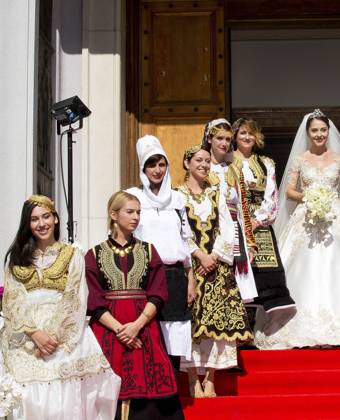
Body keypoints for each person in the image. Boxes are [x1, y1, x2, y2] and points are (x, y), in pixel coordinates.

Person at [255, 109, 340, 349]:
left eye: (323, 130)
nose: (319, 134)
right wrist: (310, 196)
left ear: (328, 132)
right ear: (307, 133)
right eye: (314, 130)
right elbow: (290, 191)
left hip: (335, 218)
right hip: (307, 217)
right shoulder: (300, 159)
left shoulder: (339, 159)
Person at [2, 195, 120, 419]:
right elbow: (12, 299)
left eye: (46, 216)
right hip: (25, 335)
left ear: (55, 219)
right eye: (34, 219)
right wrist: (34, 333)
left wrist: (52, 338)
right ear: (27, 224)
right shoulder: (17, 258)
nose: (41, 223)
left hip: (65, 335)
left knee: (65, 401)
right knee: (26, 397)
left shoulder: (73, 254)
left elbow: (75, 298)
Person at [86, 191, 183, 419]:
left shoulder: (148, 251)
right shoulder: (94, 254)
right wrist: (121, 330)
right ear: (113, 214)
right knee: (108, 388)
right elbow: (93, 298)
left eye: (138, 212)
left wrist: (136, 326)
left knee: (149, 389)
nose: (136, 217)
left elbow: (158, 293)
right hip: (108, 330)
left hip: (144, 327)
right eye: (130, 212)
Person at [177, 144, 252, 398]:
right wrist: (198, 255)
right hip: (191, 266)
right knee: (191, 323)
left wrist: (215, 256)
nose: (204, 165)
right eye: (199, 160)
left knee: (217, 322)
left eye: (207, 161)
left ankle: (210, 378)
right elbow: (179, 231)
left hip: (216, 265)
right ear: (187, 163)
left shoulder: (215, 192)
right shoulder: (178, 196)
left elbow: (227, 226)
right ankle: (191, 380)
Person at [126, 135, 196, 372]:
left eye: (161, 164)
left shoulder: (177, 199)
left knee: (173, 337)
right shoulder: (132, 197)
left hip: (175, 276)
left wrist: (191, 278)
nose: (157, 170)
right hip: (145, 276)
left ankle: (172, 396)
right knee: (149, 336)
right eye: (151, 164)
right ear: (143, 168)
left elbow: (185, 240)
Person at [231, 118, 296, 332]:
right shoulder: (227, 163)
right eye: (242, 133)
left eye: (251, 133)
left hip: (260, 227)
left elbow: (272, 197)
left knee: (266, 274)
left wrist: (257, 220)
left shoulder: (266, 163)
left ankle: (259, 330)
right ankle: (241, 330)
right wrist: (241, 221)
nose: (247, 137)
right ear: (235, 136)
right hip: (235, 225)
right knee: (239, 275)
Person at [204, 118, 259, 305]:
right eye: (219, 138)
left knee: (238, 295)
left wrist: (250, 242)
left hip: (235, 232)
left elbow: (243, 206)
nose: (224, 143)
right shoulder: (203, 166)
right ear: (210, 139)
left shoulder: (234, 169)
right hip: (212, 233)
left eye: (228, 139)